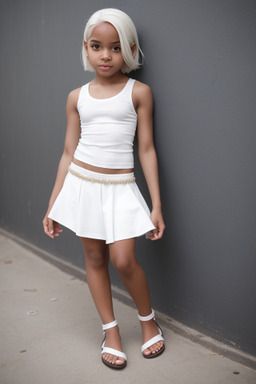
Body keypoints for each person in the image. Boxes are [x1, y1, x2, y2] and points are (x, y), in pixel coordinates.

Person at [43, 8, 165, 370]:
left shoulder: (139, 92)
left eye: (114, 48)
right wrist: (53, 204)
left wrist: (156, 205)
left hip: (120, 186)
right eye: (97, 47)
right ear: (86, 47)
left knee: (123, 259)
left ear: (128, 49)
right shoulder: (75, 97)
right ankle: (110, 331)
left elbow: (146, 149)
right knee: (95, 259)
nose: (106, 56)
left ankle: (148, 321)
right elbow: (68, 153)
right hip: (82, 185)